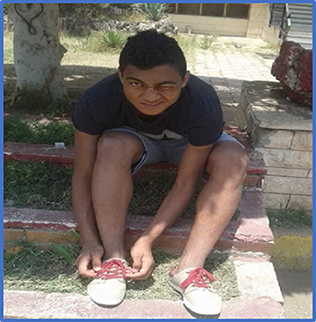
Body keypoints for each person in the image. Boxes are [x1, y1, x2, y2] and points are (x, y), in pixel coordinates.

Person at [72, 29, 248, 316]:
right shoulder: (96, 101)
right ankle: (113, 259)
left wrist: (148, 238)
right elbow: (82, 174)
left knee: (234, 158)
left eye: (166, 86)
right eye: (136, 83)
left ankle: (189, 268)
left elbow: (185, 181)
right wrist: (89, 240)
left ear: (184, 80)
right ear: (120, 77)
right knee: (112, 144)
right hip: (135, 141)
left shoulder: (202, 104)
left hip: (191, 146)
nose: (150, 95)